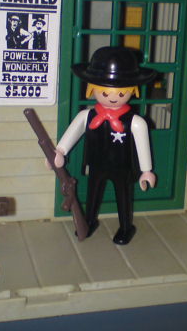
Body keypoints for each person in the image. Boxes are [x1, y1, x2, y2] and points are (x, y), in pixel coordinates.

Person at [54, 46, 157, 245]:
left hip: (122, 167)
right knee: (92, 195)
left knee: (123, 197)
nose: (112, 97)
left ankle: (125, 227)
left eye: (121, 93)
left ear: (132, 90)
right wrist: (60, 151)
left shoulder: (135, 122)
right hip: (96, 164)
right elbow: (71, 134)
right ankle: (89, 221)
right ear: (92, 88)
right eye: (104, 92)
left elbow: (143, 144)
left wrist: (146, 171)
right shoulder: (87, 116)